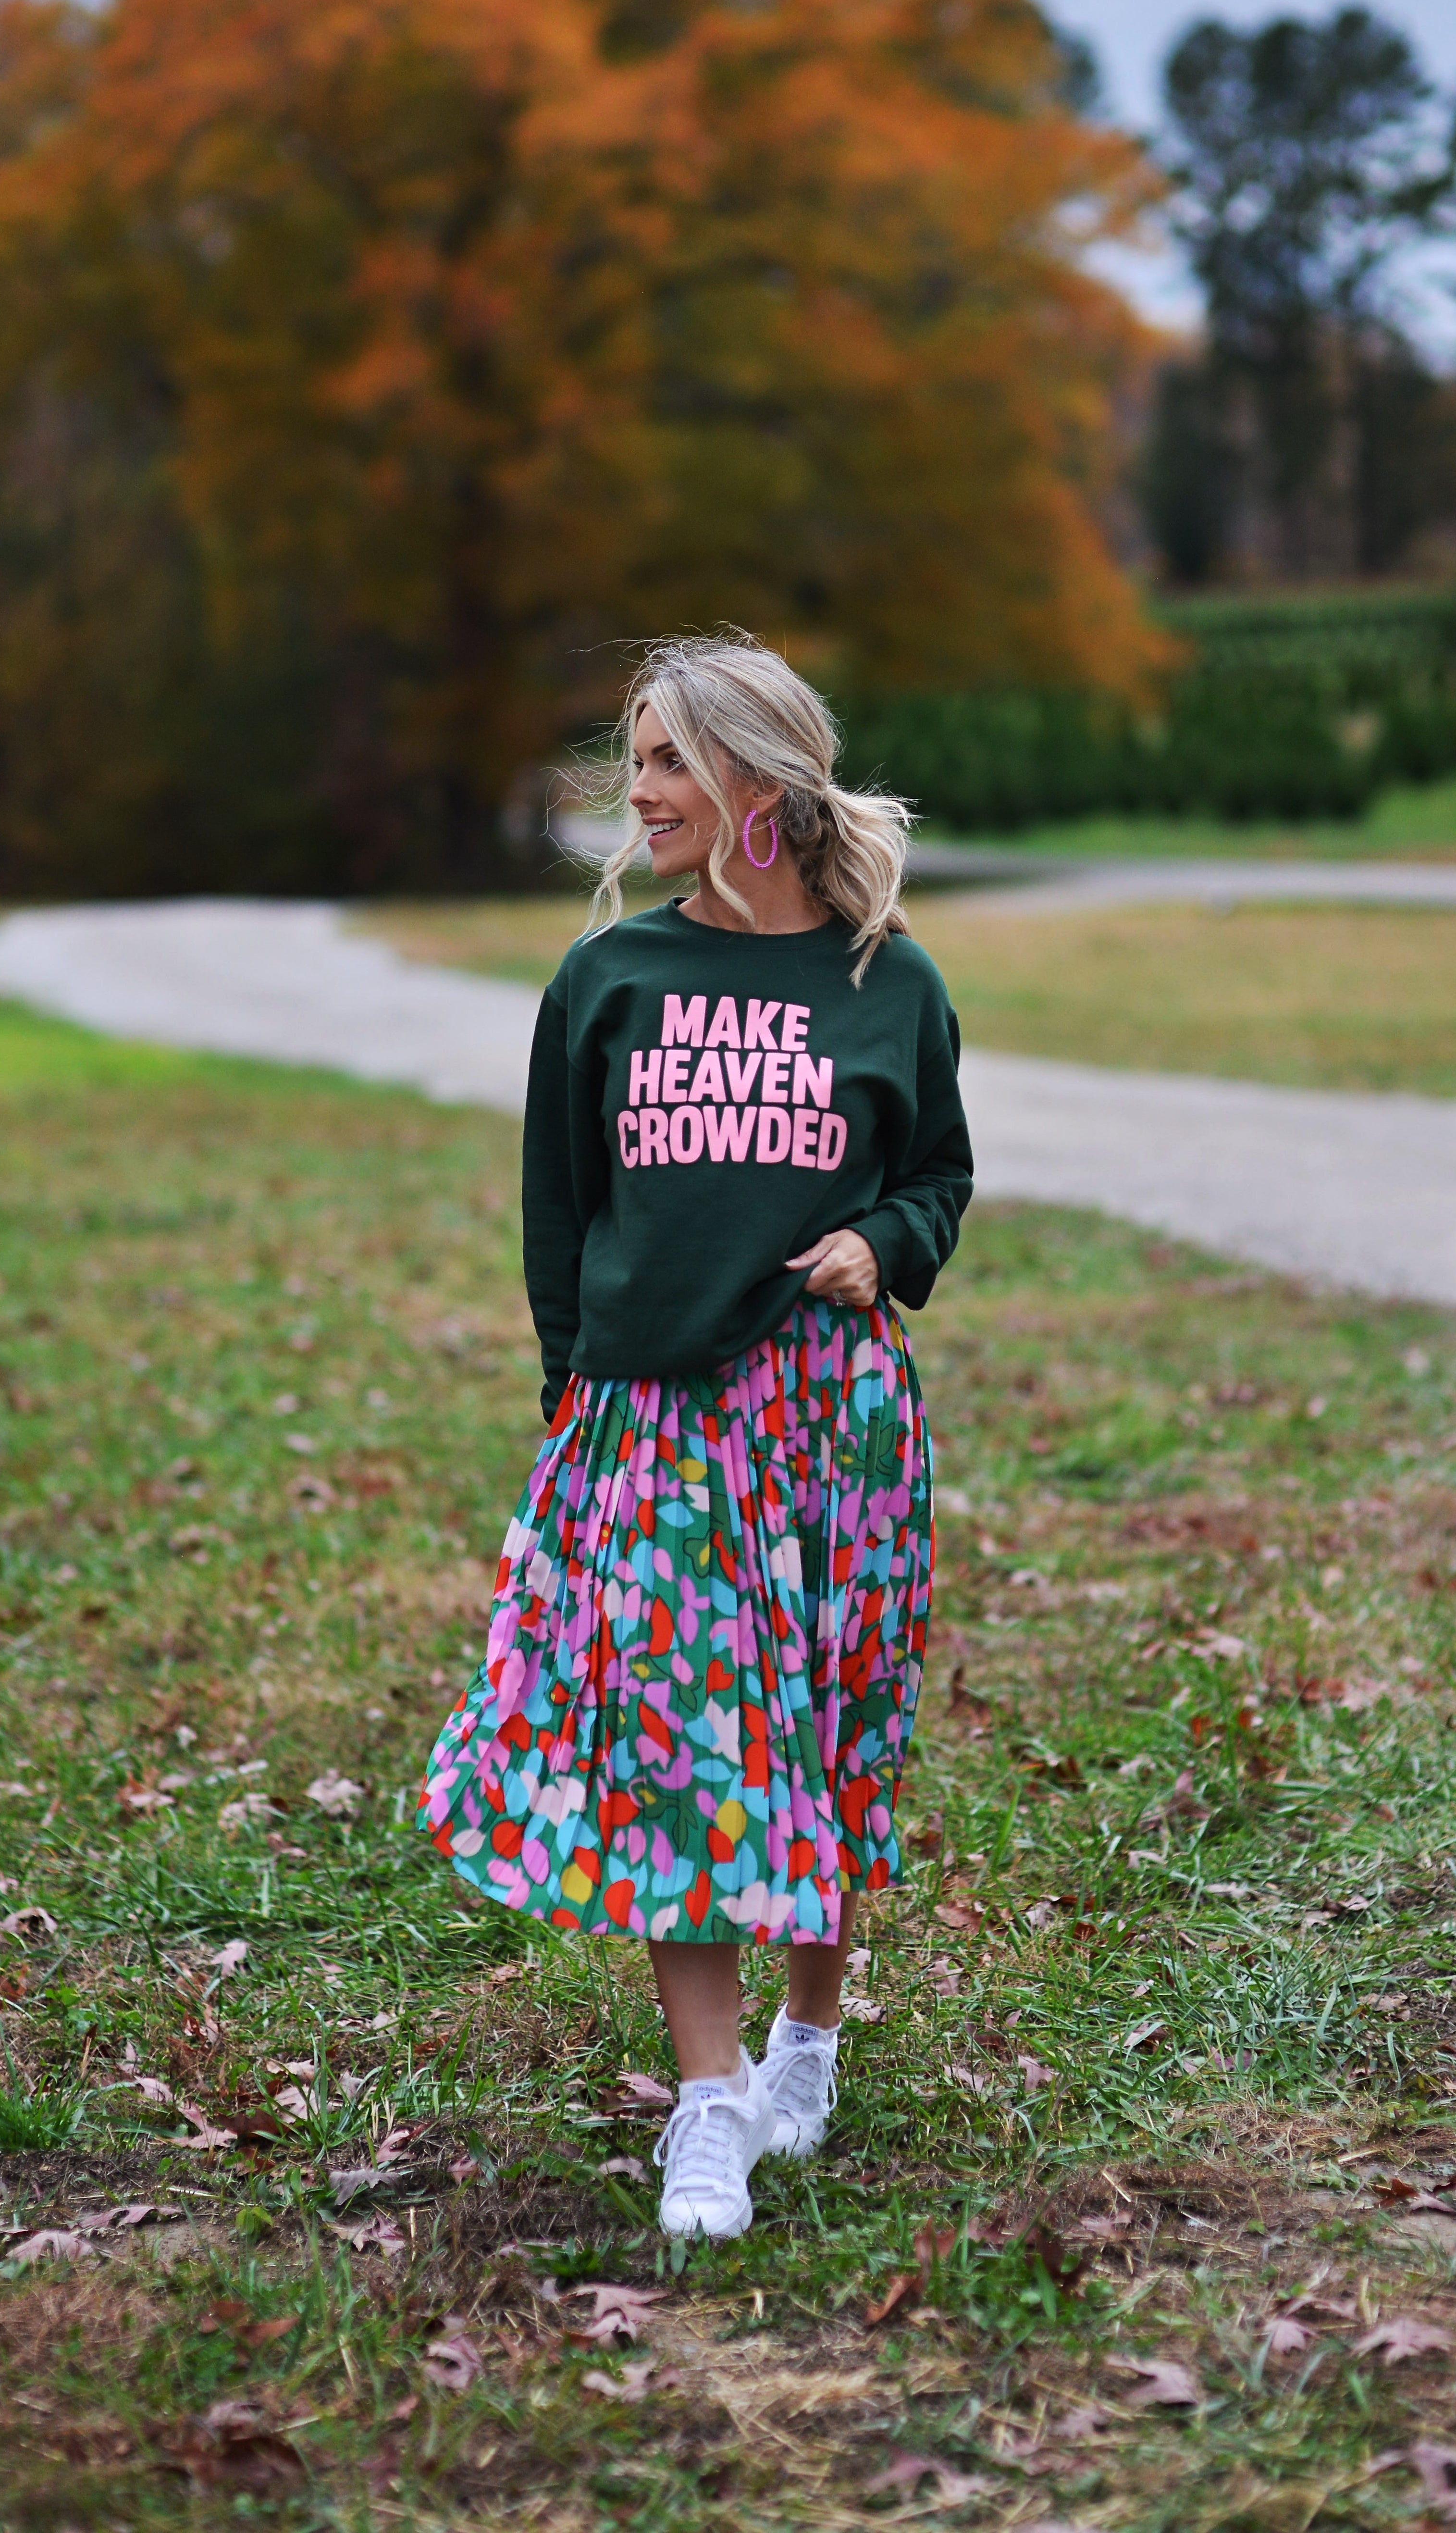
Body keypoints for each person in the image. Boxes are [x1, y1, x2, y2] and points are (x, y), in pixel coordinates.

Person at [418, 632, 972, 2237]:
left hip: (832, 1420)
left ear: (759, 786)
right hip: (653, 1421)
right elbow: (560, 1215)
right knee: (680, 1756)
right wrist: (569, 1402)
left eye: (667, 760)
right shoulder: (606, 983)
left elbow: (938, 1170)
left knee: (824, 1736)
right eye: (634, 757)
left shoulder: (891, 981)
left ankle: (811, 2039)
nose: (635, 791)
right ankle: (710, 2107)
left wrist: (892, 1245)